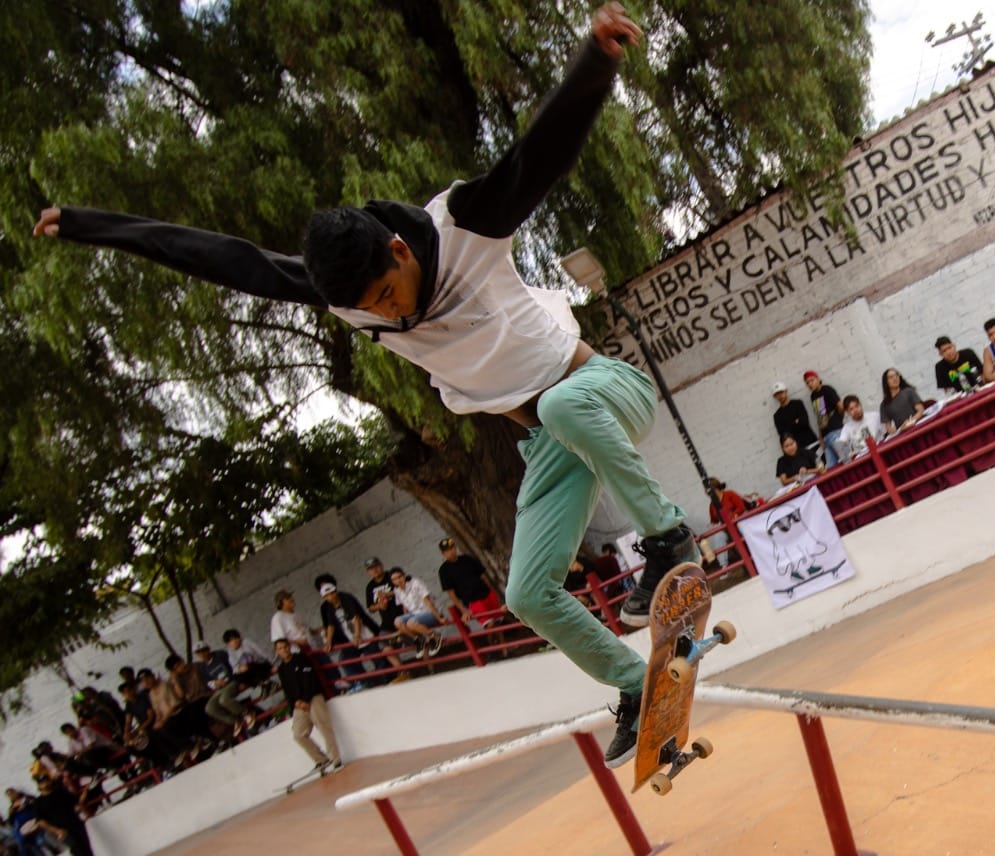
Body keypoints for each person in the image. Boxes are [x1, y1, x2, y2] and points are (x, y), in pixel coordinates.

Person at [32, 3, 693, 768]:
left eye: (388, 294)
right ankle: (630, 684)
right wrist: (86, 224)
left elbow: (536, 156)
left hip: (603, 390)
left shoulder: (467, 226)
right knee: (527, 594)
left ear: (396, 249)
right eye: (372, 310)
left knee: (562, 401)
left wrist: (596, 60)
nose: (388, 314)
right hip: (550, 446)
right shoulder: (345, 294)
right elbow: (223, 257)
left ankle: (671, 536)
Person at [273, 637, 344, 772]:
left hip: (313, 697)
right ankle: (321, 759)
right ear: (277, 652)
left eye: (285, 647)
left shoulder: (301, 659)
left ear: (289, 647)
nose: (284, 650)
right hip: (299, 704)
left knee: (323, 727)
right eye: (280, 649)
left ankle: (336, 759)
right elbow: (287, 689)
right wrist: (296, 703)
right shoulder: (281, 669)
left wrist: (305, 699)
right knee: (298, 734)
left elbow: (309, 679)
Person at [28, 771, 105, 856]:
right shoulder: (38, 803)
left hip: (76, 823)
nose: (45, 784)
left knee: (85, 846)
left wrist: (86, 790)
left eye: (46, 781)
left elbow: (77, 802)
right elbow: (41, 822)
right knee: (75, 848)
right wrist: (56, 830)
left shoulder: (61, 793)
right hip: (62, 830)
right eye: (42, 782)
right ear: (39, 786)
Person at [315, 575, 379, 690]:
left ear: (335, 590)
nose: (330, 597)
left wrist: (357, 635)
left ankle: (389, 679)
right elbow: (330, 625)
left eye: (331, 593)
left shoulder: (345, 598)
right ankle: (365, 683)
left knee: (377, 657)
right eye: (326, 595)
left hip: (365, 634)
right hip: (350, 639)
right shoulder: (327, 607)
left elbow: (356, 617)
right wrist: (328, 641)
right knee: (345, 661)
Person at [436, 537, 504, 626]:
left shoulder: (467, 559)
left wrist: (492, 591)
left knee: (498, 621)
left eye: (452, 548)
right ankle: (492, 640)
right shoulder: (444, 571)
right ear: (443, 554)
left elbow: (483, 576)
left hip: (486, 594)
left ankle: (501, 640)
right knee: (489, 623)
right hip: (472, 601)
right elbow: (451, 593)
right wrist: (463, 610)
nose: (451, 552)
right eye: (447, 550)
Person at [195, 643, 251, 735]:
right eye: (199, 653)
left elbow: (235, 666)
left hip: (232, 681)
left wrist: (240, 680)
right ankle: (235, 720)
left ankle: (246, 713)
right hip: (220, 688)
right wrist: (215, 683)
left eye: (203, 651)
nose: (202, 654)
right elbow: (207, 681)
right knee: (209, 708)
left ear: (208, 649)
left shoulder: (220, 655)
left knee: (224, 700)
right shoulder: (202, 666)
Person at [389, 568, 447, 654]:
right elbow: (405, 607)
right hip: (415, 614)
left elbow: (428, 602)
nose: (398, 580)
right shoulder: (396, 590)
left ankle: (435, 636)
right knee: (397, 621)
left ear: (404, 575)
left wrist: (439, 617)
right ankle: (419, 639)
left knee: (411, 623)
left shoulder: (415, 583)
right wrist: (402, 627)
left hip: (429, 612)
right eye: (394, 579)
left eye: (399, 577)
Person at [803, 370, 845, 468]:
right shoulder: (813, 396)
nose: (810, 384)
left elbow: (841, 407)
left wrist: (838, 421)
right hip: (826, 436)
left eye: (811, 380)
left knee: (846, 459)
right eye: (807, 383)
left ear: (818, 379)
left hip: (836, 432)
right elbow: (820, 417)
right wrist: (821, 437)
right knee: (830, 467)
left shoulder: (827, 389)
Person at [771, 382, 820, 463]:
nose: (780, 396)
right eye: (777, 394)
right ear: (775, 397)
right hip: (797, 451)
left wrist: (788, 427)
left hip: (812, 442)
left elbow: (804, 423)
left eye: (781, 392)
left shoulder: (797, 404)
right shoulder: (777, 416)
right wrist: (796, 422)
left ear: (786, 391)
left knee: (823, 465)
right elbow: (783, 436)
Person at [268, 590, 318, 655]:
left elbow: (306, 629)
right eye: (288, 598)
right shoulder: (278, 617)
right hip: (298, 653)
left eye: (291, 597)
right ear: (281, 602)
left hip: (313, 648)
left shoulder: (296, 614)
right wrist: (298, 642)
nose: (292, 599)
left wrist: (320, 630)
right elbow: (279, 641)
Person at [879, 368, 925, 434]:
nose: (895, 378)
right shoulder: (884, 405)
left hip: (919, 426)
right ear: (886, 382)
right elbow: (889, 428)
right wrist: (898, 430)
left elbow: (920, 410)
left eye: (896, 375)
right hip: (903, 433)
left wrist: (910, 422)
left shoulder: (909, 391)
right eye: (891, 377)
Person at [836, 394, 881, 458]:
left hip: (880, 450)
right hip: (863, 458)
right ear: (847, 412)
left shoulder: (875, 416)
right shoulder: (847, 428)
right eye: (851, 409)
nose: (856, 410)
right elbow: (842, 442)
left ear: (860, 405)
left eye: (857, 406)